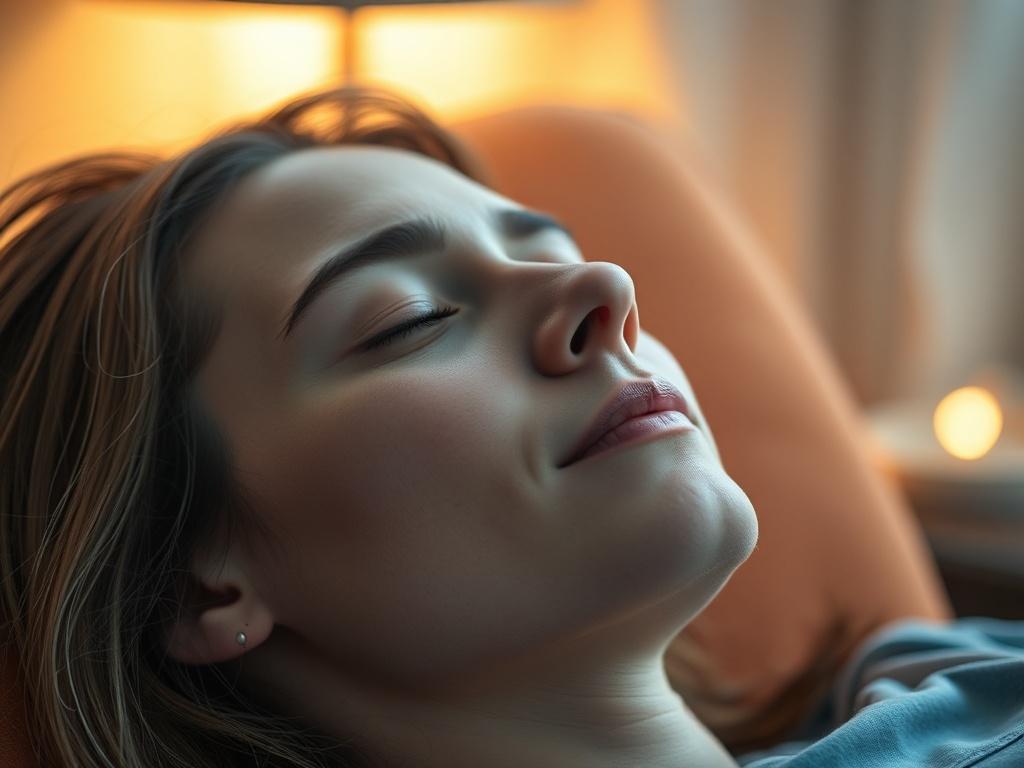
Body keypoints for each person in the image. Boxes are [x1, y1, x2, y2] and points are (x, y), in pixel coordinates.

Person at [4, 84, 1023, 768]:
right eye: (412, 319)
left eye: (559, 251)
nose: (607, 288)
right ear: (200, 580)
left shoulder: (940, 677)